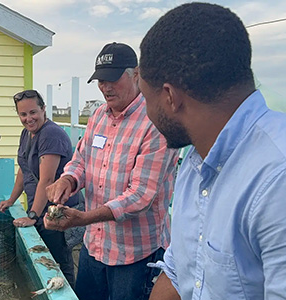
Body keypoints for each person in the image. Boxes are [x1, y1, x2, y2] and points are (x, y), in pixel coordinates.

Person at [138, 3, 286, 300]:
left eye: (145, 97)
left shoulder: (276, 180)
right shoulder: (195, 162)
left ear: (169, 97)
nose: (145, 112)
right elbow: (179, 271)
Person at [44, 42, 179, 300]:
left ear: (136, 74)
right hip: (94, 246)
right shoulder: (98, 116)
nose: (105, 87)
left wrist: (83, 218)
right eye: (100, 80)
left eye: (113, 79)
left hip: (135, 254)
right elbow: (81, 160)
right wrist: (68, 180)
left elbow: (140, 196)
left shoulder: (155, 122)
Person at [0, 90, 79, 286]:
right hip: (39, 208)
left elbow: (47, 179)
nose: (28, 119)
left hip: (56, 210)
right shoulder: (27, 133)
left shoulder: (50, 134)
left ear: (44, 109)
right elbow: (24, 170)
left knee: (59, 262)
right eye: (23, 114)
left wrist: (33, 216)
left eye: (33, 112)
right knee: (46, 261)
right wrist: (11, 199)